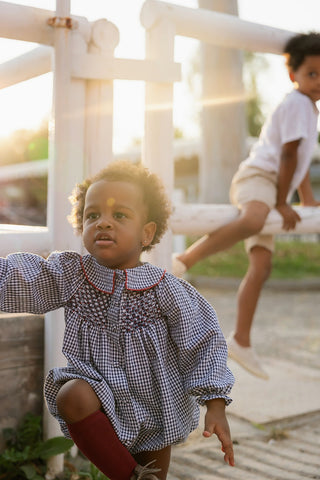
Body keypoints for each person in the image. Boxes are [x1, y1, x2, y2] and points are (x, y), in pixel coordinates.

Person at [0, 160, 235, 480]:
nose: (103, 223)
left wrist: (215, 402)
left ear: (147, 232)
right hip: (98, 399)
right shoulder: (72, 276)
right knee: (72, 395)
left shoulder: (166, 289)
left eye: (119, 215)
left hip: (155, 407)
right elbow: (22, 279)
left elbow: (203, 339)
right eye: (92, 215)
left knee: (154, 472)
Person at [173, 31, 320, 380]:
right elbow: (286, 156)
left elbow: (297, 159)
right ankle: (186, 260)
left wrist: (306, 197)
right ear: (293, 75)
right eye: (312, 73)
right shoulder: (298, 104)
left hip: (276, 185)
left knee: (262, 267)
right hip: (259, 178)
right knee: (255, 219)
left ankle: (241, 339)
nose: (318, 81)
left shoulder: (309, 109)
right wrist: (284, 202)